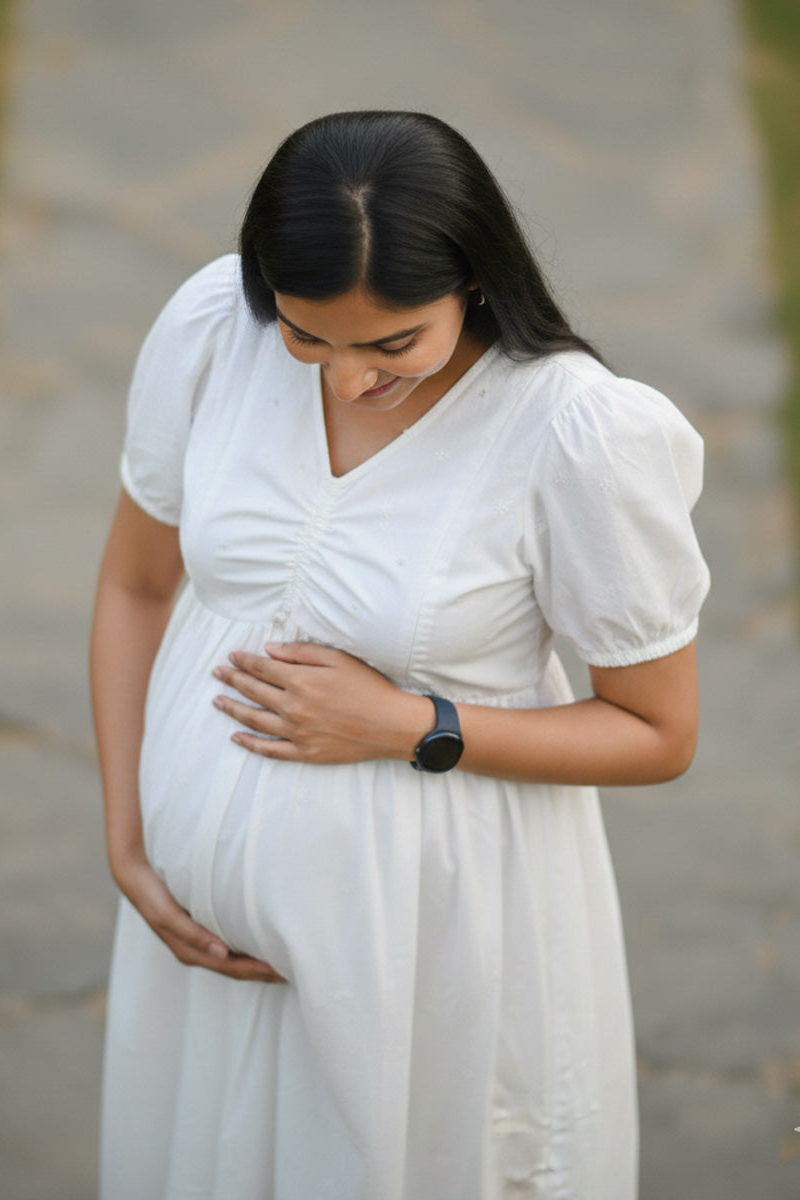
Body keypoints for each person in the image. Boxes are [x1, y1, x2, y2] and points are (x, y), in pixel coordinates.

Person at [90, 110, 709, 1199]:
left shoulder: (576, 434)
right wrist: (130, 840)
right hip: (195, 958)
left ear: (472, 283)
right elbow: (137, 584)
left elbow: (659, 731)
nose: (343, 378)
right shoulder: (211, 327)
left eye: (391, 345)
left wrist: (411, 727)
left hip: (429, 953)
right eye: (307, 335)